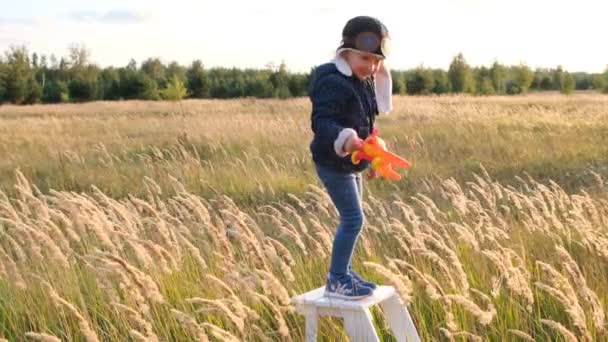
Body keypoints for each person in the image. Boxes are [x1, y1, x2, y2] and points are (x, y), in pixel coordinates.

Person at [308, 15, 393, 300]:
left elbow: (366, 125)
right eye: (365, 59)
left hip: (351, 162)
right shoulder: (333, 82)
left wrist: (373, 155)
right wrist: (347, 139)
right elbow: (323, 123)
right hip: (333, 162)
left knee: (356, 219)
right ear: (346, 53)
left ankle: (344, 272)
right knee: (353, 219)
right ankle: (338, 279)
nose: (371, 67)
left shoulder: (362, 82)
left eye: (376, 62)